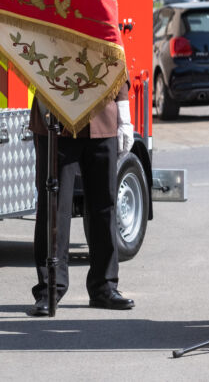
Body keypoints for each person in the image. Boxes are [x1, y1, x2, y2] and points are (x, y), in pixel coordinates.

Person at [29, 84, 135, 316]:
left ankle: (104, 287)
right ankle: (49, 289)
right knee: (54, 207)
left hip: (101, 117)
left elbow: (117, 66)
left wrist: (123, 115)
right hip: (56, 115)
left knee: (104, 206)